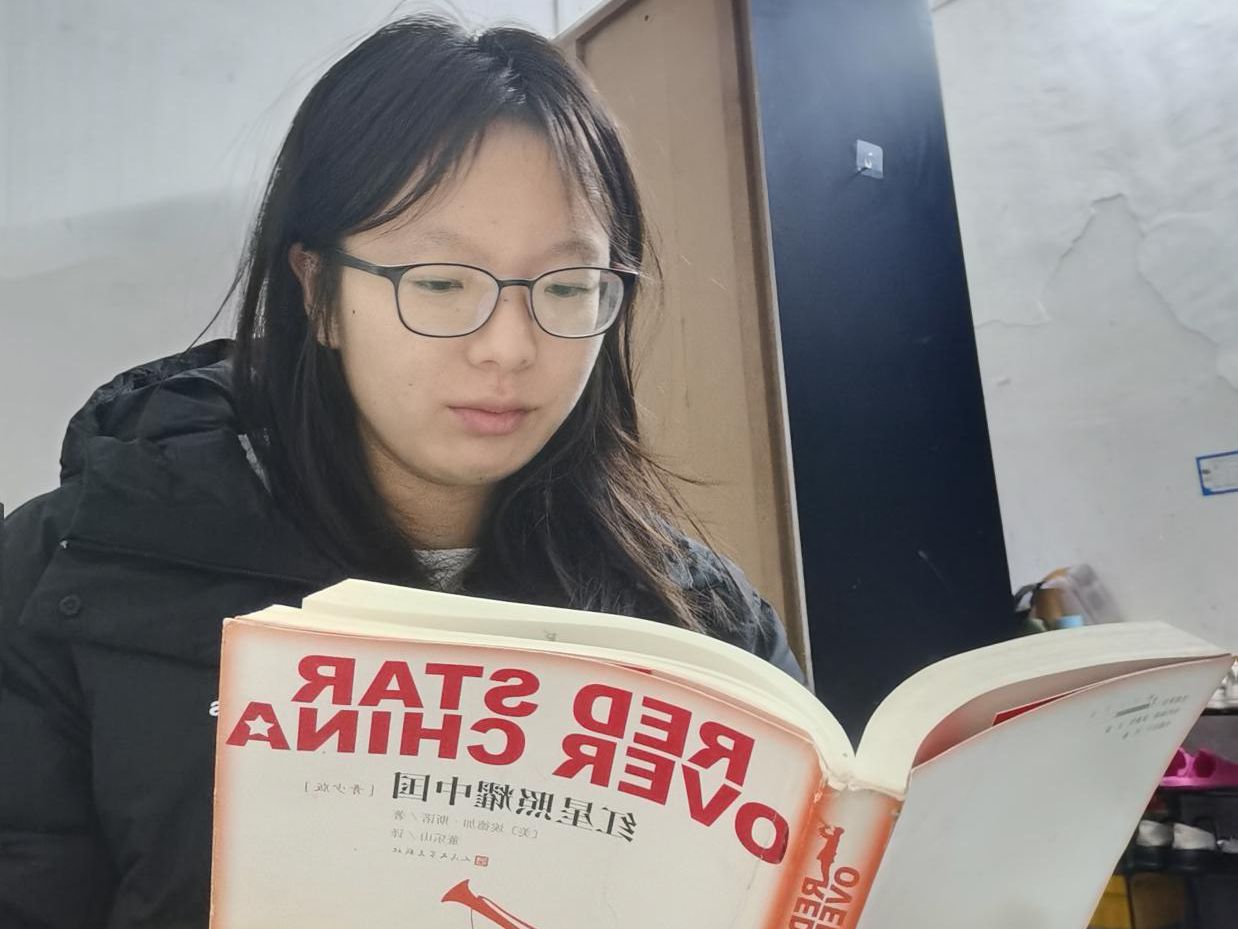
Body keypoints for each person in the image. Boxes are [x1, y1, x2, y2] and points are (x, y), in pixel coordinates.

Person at [0, 14, 803, 929]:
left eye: (568, 287)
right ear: (318, 291)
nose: (509, 348)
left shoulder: (707, 628)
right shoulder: (62, 576)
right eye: (440, 282)